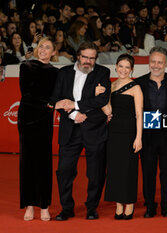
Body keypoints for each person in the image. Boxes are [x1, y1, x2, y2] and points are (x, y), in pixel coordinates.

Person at [52, 41, 111, 221]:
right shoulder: (63, 73)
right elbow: (57, 99)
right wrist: (73, 115)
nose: (88, 61)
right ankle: (67, 208)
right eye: (85, 57)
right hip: (70, 129)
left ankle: (92, 207)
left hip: (94, 129)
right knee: (64, 171)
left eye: (92, 58)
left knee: (96, 172)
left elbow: (102, 99)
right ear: (78, 56)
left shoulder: (102, 72)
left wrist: (76, 105)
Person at [135, 46, 167, 218]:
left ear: (166, 64)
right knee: (148, 171)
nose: (156, 65)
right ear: (149, 63)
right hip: (147, 134)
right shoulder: (139, 82)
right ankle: (150, 205)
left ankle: (166, 205)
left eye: (160, 62)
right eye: (153, 61)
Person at [18, 37, 58, 221]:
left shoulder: (57, 72)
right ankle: (29, 205)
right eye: (41, 46)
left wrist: (53, 104)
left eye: (47, 47)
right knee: (27, 162)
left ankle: (44, 205)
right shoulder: (26, 66)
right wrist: (49, 103)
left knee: (44, 161)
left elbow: (56, 97)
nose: (43, 50)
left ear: (53, 52)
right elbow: (27, 94)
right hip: (27, 119)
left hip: (44, 120)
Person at [102, 54, 143, 220]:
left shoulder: (136, 88)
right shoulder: (110, 86)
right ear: (116, 67)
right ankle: (119, 204)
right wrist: (101, 96)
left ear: (132, 69)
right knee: (115, 169)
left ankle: (130, 203)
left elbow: (140, 114)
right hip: (112, 133)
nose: (123, 70)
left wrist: (139, 138)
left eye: (127, 67)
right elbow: (108, 110)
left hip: (129, 132)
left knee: (128, 169)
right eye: (121, 66)